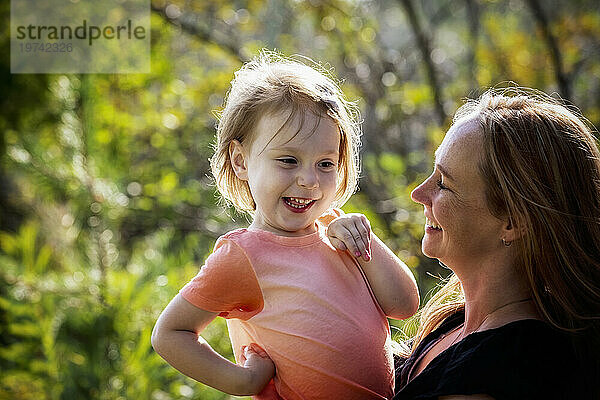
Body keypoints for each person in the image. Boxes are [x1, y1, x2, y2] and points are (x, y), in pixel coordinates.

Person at [151, 51, 420, 399]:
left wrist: (365, 246)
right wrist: (241, 381)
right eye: (289, 160)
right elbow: (170, 333)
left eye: (325, 164)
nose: (309, 180)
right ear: (240, 160)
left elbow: (404, 305)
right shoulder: (243, 256)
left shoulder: (337, 232)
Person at [393, 88, 600, 399]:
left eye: (444, 184)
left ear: (512, 222)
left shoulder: (506, 368)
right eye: (431, 174)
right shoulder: (455, 323)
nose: (419, 194)